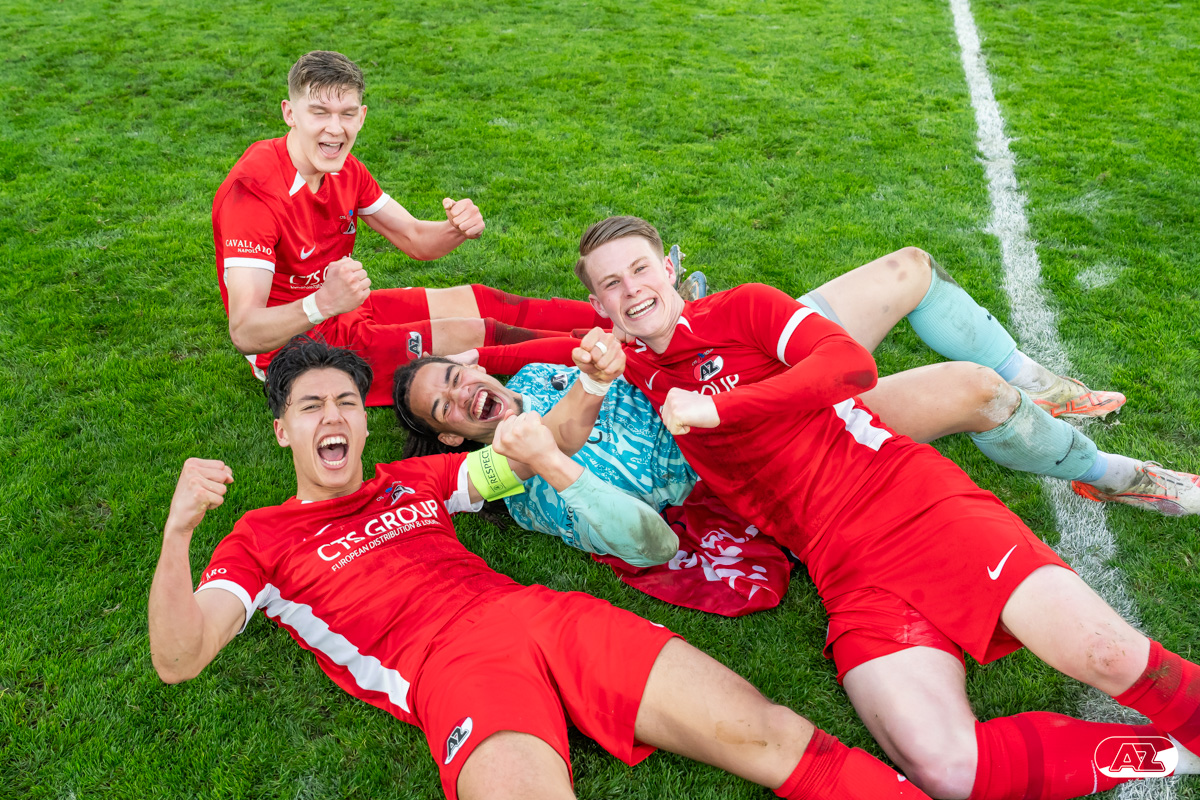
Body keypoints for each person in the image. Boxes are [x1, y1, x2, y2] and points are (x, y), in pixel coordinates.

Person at [567, 216, 1200, 800]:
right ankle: (1175, 756)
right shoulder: (627, 363)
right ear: (598, 305)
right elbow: (522, 354)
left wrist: (721, 408)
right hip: (840, 566)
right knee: (949, 771)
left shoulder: (743, 307)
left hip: (909, 502)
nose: (632, 289)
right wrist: (593, 376)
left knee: (1105, 655)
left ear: (669, 268)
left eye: (641, 269)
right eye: (612, 283)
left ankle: (1113, 472)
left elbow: (850, 364)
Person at [147, 335, 931, 800]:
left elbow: (529, 454)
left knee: (768, 733)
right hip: (455, 671)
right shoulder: (258, 540)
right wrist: (178, 534)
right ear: (283, 431)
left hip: (546, 617)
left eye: (347, 402)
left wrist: (589, 384)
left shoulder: (414, 481)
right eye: (312, 407)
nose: (334, 417)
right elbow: (180, 658)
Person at [389, 245, 1200, 616]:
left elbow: (536, 344)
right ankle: (1113, 474)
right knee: (976, 394)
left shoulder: (533, 374)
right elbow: (647, 542)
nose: (463, 392)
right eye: (444, 405)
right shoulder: (526, 481)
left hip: (725, 361)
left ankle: (1044, 383)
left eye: (457, 377)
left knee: (909, 268)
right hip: (759, 448)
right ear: (449, 440)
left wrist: (481, 353)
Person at [212, 50, 610, 406]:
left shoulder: (345, 170)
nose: (335, 129)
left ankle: (616, 318)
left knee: (484, 300)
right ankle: (616, 354)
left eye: (347, 114)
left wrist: (455, 228)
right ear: (290, 113)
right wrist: (323, 303)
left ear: (361, 116)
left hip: (342, 309)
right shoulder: (255, 193)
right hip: (296, 351)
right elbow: (245, 331)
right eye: (319, 112)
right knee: (480, 332)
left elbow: (416, 239)